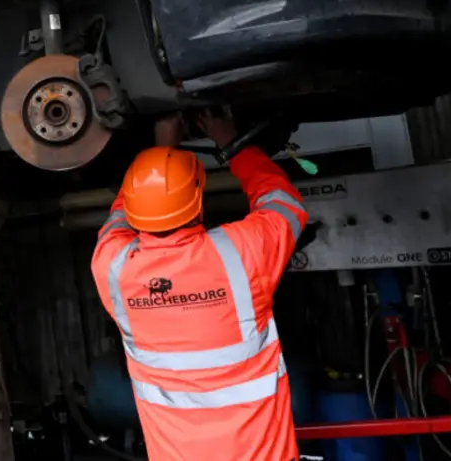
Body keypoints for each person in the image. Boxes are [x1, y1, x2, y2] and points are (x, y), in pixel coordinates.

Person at [90, 111, 308, 461]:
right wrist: (230, 142)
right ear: (198, 197)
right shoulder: (241, 252)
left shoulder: (113, 268)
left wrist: (159, 156)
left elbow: (119, 219)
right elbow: (284, 202)